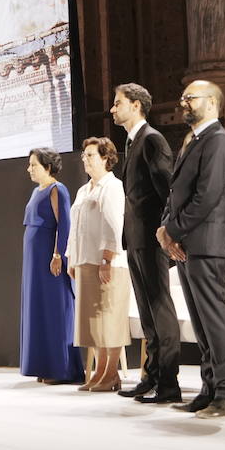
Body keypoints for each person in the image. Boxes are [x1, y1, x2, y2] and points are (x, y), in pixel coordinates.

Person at [159, 80, 225, 419]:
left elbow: (206, 197)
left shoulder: (218, 141)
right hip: (187, 244)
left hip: (207, 244)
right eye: (183, 98)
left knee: (214, 321)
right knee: (201, 323)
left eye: (189, 98)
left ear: (211, 102)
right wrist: (166, 229)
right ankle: (208, 390)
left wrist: (172, 231)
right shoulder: (194, 141)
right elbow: (177, 192)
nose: (183, 103)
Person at [109, 83, 182, 404]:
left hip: (153, 237)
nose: (112, 109)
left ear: (136, 105)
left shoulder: (152, 139)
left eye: (118, 103)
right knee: (146, 310)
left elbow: (168, 189)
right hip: (136, 238)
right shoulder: (133, 140)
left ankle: (169, 383)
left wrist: (169, 230)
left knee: (159, 308)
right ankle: (151, 376)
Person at [65, 137, 130, 392]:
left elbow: (113, 225)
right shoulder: (84, 190)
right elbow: (75, 228)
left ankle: (111, 374)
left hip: (107, 263)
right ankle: (100, 372)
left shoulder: (112, 187)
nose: (85, 159)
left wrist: (107, 258)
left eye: (91, 155)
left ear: (105, 158)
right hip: (85, 260)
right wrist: (71, 255)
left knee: (109, 318)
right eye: (84, 155)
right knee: (95, 321)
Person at [19, 148, 84, 385]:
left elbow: (63, 225)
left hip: (50, 258)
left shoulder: (58, 189)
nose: (29, 169)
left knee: (55, 309)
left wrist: (58, 254)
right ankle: (43, 365)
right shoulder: (38, 190)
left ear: (47, 167)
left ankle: (61, 369)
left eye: (33, 165)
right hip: (34, 260)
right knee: (39, 309)